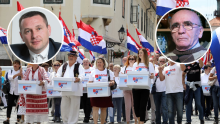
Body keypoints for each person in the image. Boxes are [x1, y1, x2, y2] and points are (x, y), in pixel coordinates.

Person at [56, 50, 85, 124]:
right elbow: (58, 73)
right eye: (69, 56)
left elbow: (82, 75)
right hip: (65, 90)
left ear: (76, 58)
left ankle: (72, 122)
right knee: (64, 108)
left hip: (75, 91)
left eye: (72, 56)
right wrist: (57, 77)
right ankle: (65, 122)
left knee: (74, 109)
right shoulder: (64, 65)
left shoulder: (79, 66)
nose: (70, 57)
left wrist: (79, 78)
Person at [88, 57, 115, 124]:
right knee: (95, 108)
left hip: (105, 93)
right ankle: (95, 123)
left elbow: (112, 81)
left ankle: (102, 123)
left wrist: (112, 83)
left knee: (103, 109)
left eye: (100, 62)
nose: (99, 63)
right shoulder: (93, 72)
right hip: (95, 93)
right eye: (98, 62)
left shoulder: (109, 71)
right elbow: (90, 82)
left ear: (103, 63)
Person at [132, 48, 155, 124]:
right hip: (136, 88)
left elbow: (152, 75)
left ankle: (141, 122)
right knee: (136, 107)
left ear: (145, 54)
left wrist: (151, 76)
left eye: (141, 53)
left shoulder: (149, 64)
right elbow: (132, 76)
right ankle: (139, 120)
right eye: (139, 53)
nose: (140, 54)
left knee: (143, 106)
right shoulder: (135, 64)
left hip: (145, 88)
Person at [183, 59, 204, 124]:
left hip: (197, 87)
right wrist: (183, 83)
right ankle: (188, 121)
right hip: (189, 87)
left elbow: (202, 65)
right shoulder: (187, 65)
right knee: (188, 104)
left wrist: (199, 58)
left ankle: (201, 118)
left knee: (198, 103)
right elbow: (183, 74)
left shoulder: (197, 64)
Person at [3, 60, 24, 124]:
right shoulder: (10, 71)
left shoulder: (22, 71)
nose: (15, 65)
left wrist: (21, 74)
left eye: (17, 64)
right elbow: (10, 78)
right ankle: (8, 119)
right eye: (14, 63)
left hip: (18, 92)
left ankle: (18, 119)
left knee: (18, 106)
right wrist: (18, 74)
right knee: (9, 105)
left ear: (19, 65)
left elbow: (23, 79)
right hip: (11, 91)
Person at [121, 55, 137, 124]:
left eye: (132, 59)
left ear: (135, 60)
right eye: (130, 59)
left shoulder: (137, 68)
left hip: (134, 88)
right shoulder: (124, 68)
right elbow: (121, 76)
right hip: (126, 88)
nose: (131, 60)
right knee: (128, 106)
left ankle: (136, 120)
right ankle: (128, 121)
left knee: (134, 105)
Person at [153, 56, 168, 124]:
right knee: (157, 108)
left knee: (164, 107)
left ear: (165, 62)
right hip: (156, 90)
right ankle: (158, 121)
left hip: (165, 90)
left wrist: (161, 70)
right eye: (160, 61)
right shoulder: (155, 68)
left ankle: (165, 121)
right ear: (158, 62)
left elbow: (163, 78)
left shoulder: (167, 69)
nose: (162, 63)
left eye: (163, 61)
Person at [82, 58, 94, 123]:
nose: (85, 63)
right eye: (84, 62)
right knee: (83, 104)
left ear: (89, 63)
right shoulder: (81, 70)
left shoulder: (92, 69)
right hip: (82, 90)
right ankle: (86, 115)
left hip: (90, 90)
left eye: (86, 62)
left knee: (88, 103)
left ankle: (87, 117)